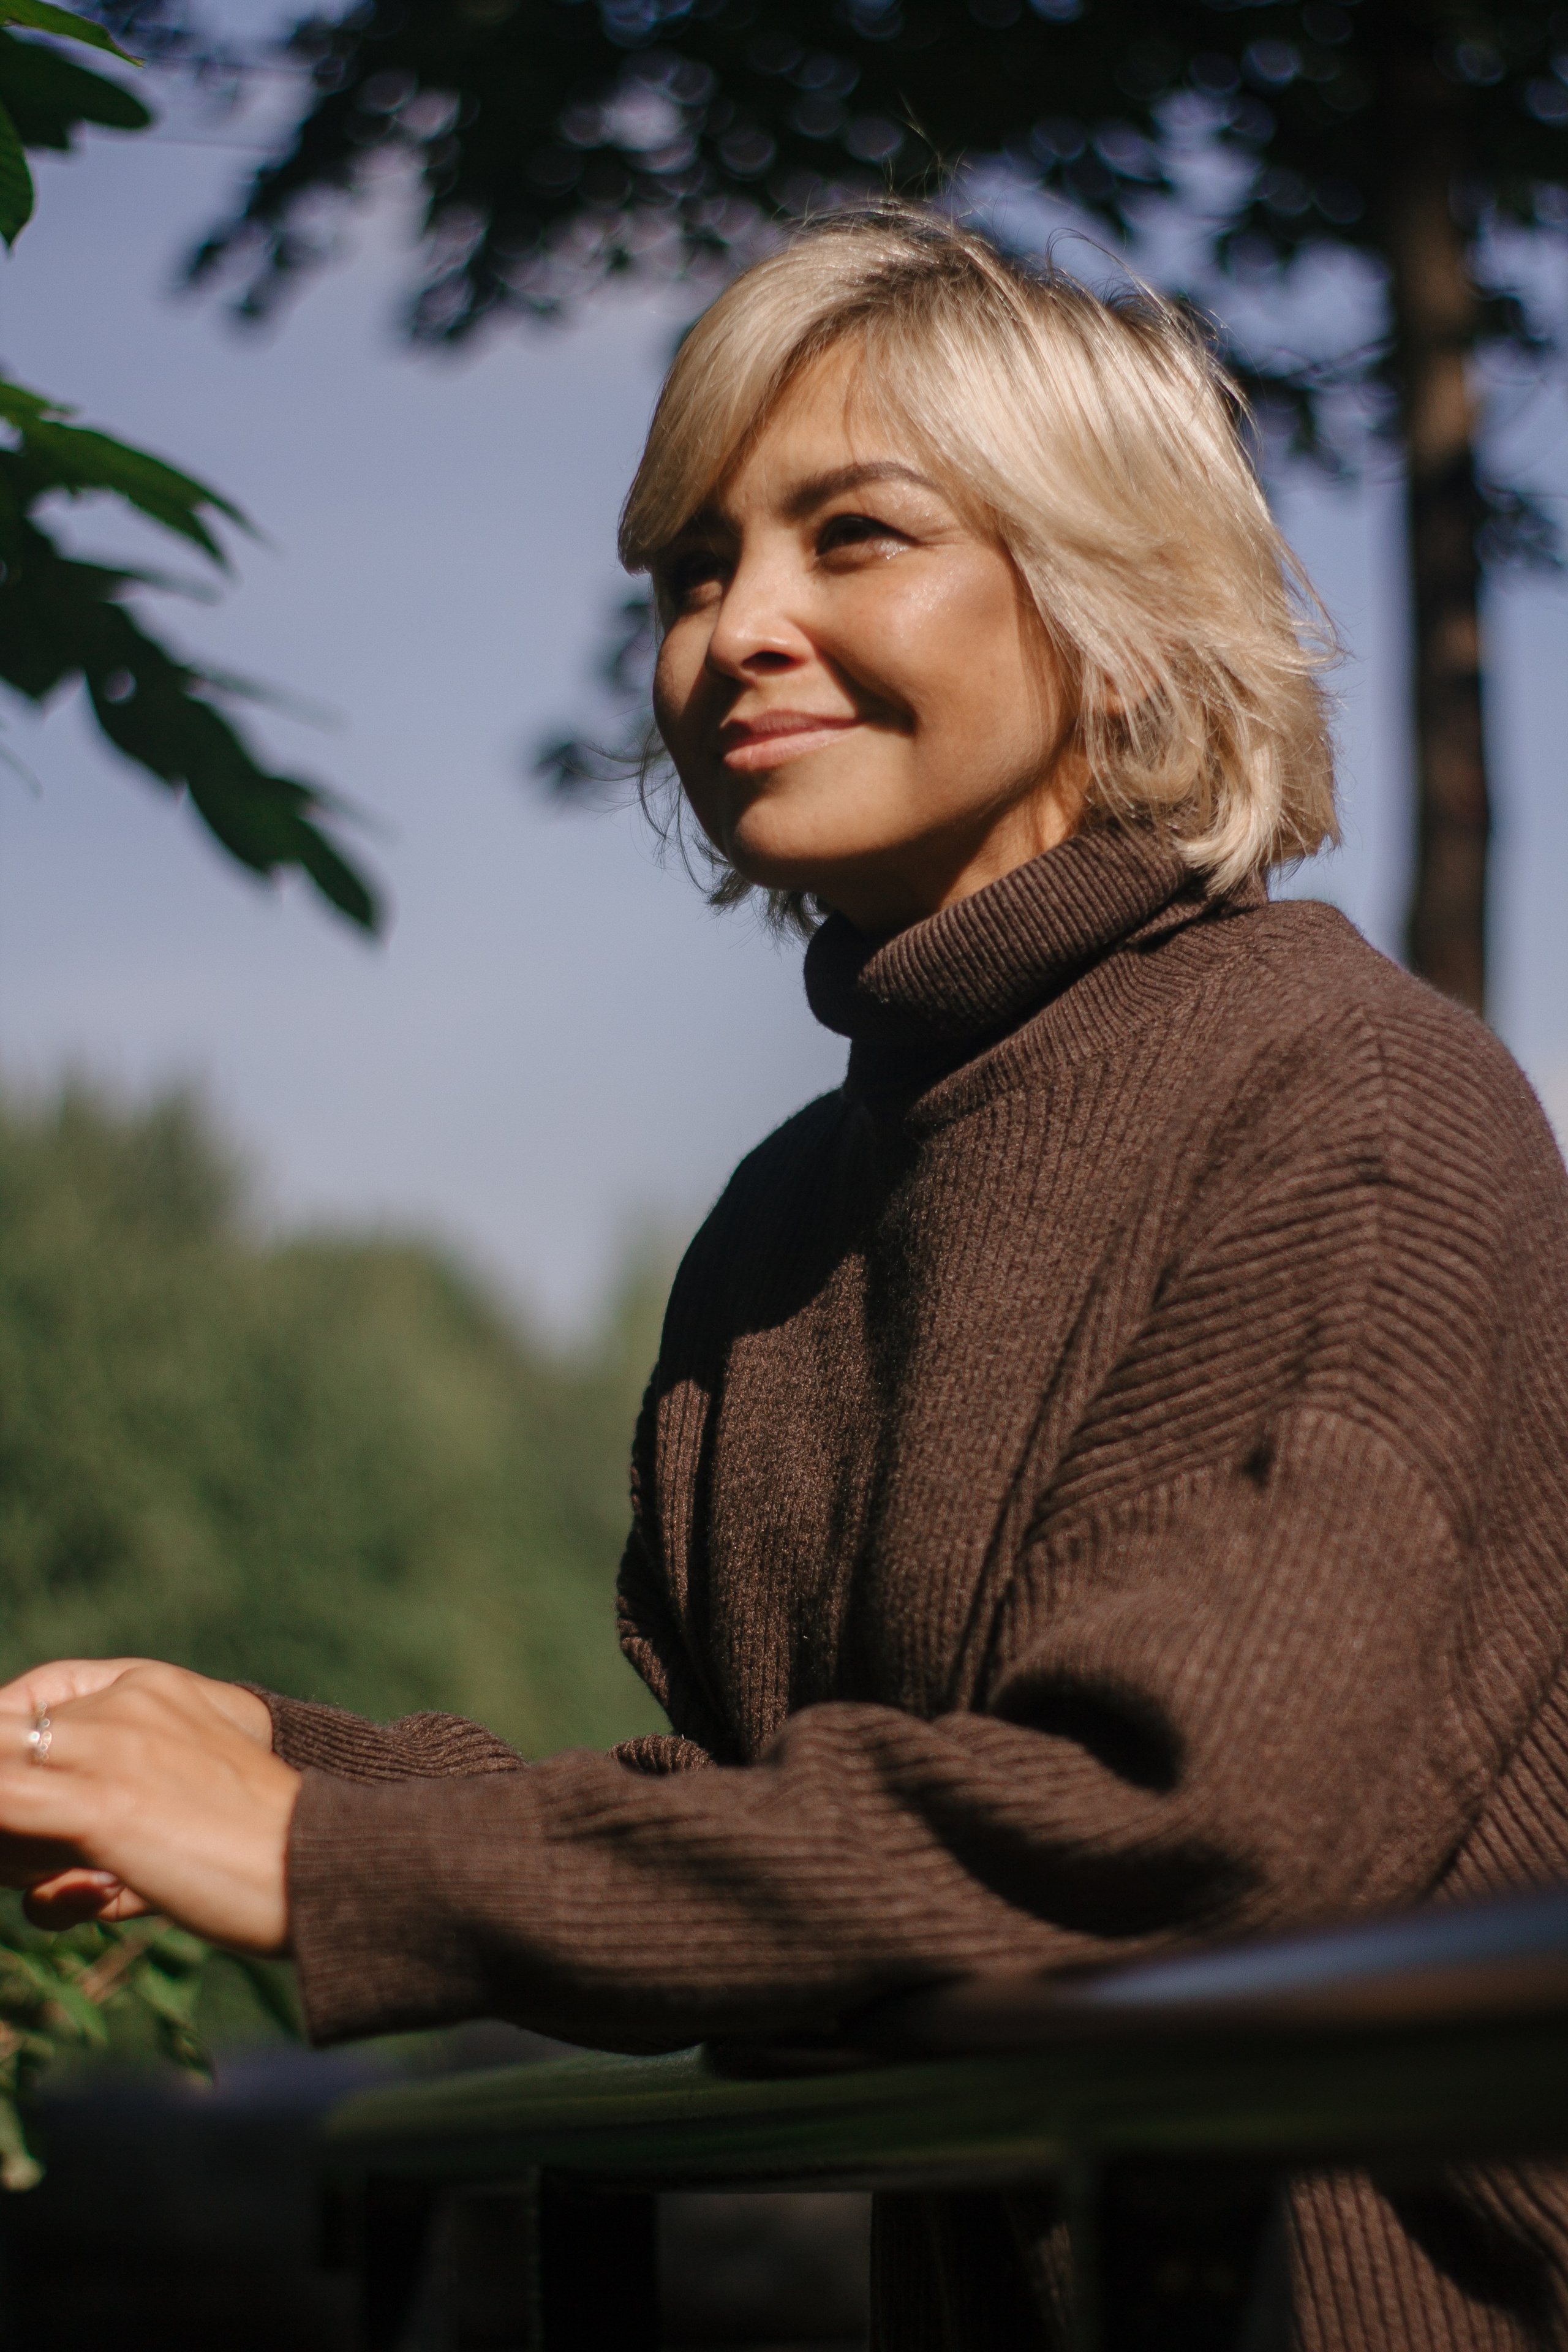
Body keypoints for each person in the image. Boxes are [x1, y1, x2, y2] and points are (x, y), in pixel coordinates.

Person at [3, 205, 1567, 2350]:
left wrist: (322, 1868)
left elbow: (1176, 1838)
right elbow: (797, 1837)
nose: (734, 626)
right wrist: (278, 1767)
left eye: (855, 534)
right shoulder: (779, 1227)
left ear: (1113, 598)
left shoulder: (1354, 1106)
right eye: (690, 567)